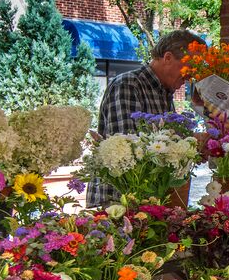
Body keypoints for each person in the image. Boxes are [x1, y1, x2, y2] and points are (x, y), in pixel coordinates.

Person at [87, 29, 205, 207]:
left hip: (146, 201)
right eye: (190, 67)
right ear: (168, 58)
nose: (191, 77)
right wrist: (189, 144)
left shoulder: (165, 92)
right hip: (118, 202)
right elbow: (129, 149)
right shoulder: (128, 85)